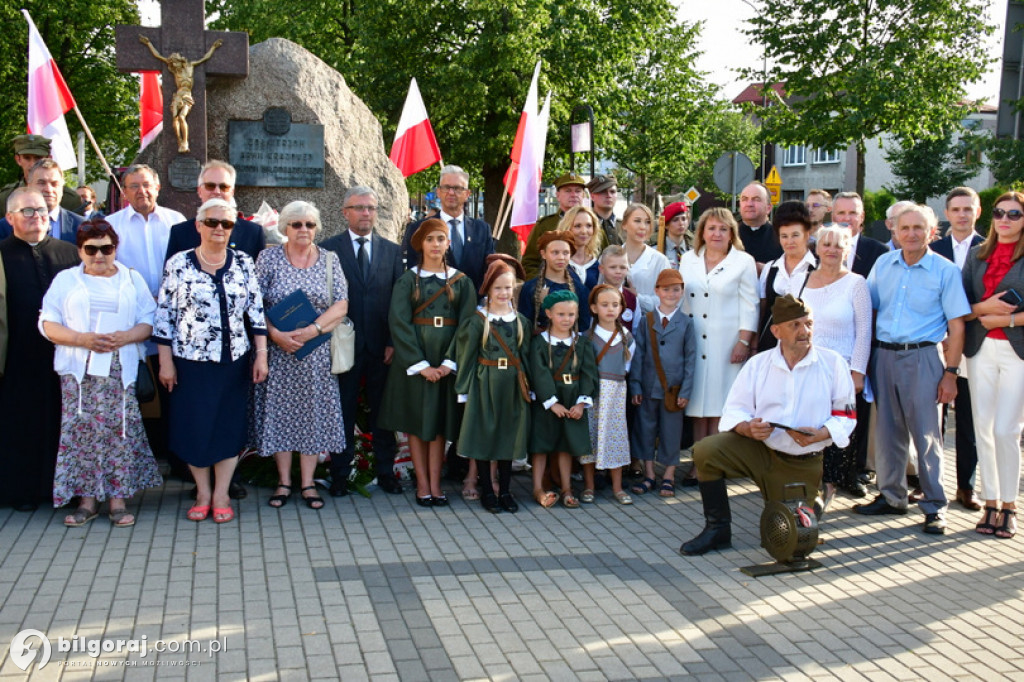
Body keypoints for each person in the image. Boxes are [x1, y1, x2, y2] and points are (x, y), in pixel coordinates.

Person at [680, 294, 856, 555]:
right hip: (760, 451)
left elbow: (847, 416)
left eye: (808, 323)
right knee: (706, 451)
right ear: (776, 331)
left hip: (803, 460)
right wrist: (746, 428)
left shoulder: (833, 363)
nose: (804, 331)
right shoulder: (758, 364)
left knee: (792, 546)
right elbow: (734, 410)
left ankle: (816, 499)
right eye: (795, 325)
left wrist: (821, 434)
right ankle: (717, 530)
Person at [855, 204, 970, 535]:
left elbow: (957, 327)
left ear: (931, 232)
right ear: (895, 231)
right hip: (884, 356)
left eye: (919, 228)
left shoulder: (944, 271)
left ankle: (935, 506)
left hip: (923, 358)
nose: (911, 234)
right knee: (888, 431)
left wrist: (951, 372)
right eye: (904, 228)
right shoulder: (883, 264)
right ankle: (891, 496)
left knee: (927, 435)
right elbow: (868, 312)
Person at [39, 219, 162, 527]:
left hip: (120, 368)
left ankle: (118, 500)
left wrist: (126, 336)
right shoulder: (66, 280)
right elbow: (47, 323)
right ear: (80, 250)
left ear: (115, 248)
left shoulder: (132, 279)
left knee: (118, 432)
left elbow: (150, 319)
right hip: (78, 372)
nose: (99, 256)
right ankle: (87, 501)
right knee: (82, 434)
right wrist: (82, 339)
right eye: (91, 249)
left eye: (106, 248)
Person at [153, 198, 268, 523]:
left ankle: (221, 494)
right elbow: (164, 316)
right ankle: (202, 492)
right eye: (213, 222)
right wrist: (165, 362)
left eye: (226, 224)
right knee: (195, 427)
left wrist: (261, 355)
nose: (219, 229)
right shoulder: (179, 263)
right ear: (199, 225)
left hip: (234, 362)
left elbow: (256, 312)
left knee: (228, 428)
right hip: (190, 363)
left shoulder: (244, 261)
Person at [253, 201, 348, 511]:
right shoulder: (268, 258)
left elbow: (342, 305)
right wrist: (275, 336)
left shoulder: (330, 260)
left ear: (317, 228)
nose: (304, 230)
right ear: (284, 228)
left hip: (316, 354)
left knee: (312, 417)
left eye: (309, 224)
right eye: (296, 224)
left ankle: (307, 483)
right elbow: (255, 303)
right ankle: (284, 481)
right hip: (279, 355)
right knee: (281, 415)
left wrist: (314, 330)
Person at [378, 218, 476, 507]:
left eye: (440, 239)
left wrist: (448, 362)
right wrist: (420, 364)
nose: (435, 245)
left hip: (446, 361)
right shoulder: (408, 279)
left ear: (448, 243)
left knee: (439, 427)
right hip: (415, 363)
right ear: (420, 244)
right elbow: (399, 321)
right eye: (430, 239)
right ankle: (422, 485)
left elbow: (467, 324)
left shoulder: (461, 281)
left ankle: (436, 484)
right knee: (418, 424)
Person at [320, 187, 405, 497]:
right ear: (345, 212)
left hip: (382, 347)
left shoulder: (393, 251)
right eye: (358, 208)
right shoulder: (328, 250)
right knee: (341, 410)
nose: (366, 213)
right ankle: (340, 473)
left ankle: (386, 471)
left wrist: (394, 341)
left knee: (383, 412)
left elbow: (399, 301)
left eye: (371, 207)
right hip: (343, 346)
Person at [0, 188, 79, 511]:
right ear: (10, 218)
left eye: (42, 210)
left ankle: (66, 488)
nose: (38, 217)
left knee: (64, 421)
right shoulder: (2, 253)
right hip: (18, 354)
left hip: (65, 355)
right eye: (28, 211)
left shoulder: (71, 253)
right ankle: (24, 491)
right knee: (22, 422)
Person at [962, 191, 1024, 539]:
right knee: (983, 429)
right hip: (980, 349)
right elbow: (961, 306)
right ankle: (990, 502)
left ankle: (1010, 505)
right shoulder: (976, 256)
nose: (1005, 219)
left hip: (1017, 352)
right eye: (1000, 213)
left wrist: (1009, 321)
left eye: (1014, 214)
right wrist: (985, 311)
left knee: (1007, 430)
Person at [801, 225, 872, 509]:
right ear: (817, 248)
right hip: (808, 366)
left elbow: (864, 331)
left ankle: (830, 486)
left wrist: (858, 372)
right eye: (826, 244)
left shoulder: (856, 283)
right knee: (810, 424)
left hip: (841, 368)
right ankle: (809, 481)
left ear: (847, 249)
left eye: (838, 245)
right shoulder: (804, 280)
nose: (831, 249)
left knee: (835, 427)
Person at [453, 254, 531, 514]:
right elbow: (466, 356)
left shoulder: (521, 322)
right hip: (484, 384)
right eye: (497, 288)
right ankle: (487, 490)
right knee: (485, 437)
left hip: (511, 386)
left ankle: (506, 490)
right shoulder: (478, 321)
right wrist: (463, 390)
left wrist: (528, 386)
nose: (503, 292)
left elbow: (525, 357)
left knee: (507, 437)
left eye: (508, 287)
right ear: (487, 289)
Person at [678, 208, 758, 445]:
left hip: (727, 344)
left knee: (719, 404)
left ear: (732, 234)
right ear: (701, 232)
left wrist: (743, 342)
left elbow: (750, 305)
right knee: (696, 405)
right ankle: (697, 458)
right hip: (693, 341)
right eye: (711, 228)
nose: (717, 234)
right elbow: (682, 300)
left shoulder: (743, 261)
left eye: (723, 229)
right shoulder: (688, 259)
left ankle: (712, 460)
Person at [932, 186, 984, 512]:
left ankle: (966, 487)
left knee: (968, 421)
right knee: (933, 421)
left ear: (978, 212)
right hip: (937, 346)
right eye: (956, 209)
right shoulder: (932, 249)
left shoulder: (990, 249)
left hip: (976, 347)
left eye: (968, 209)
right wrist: (942, 335)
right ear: (947, 213)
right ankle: (930, 486)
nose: (962, 214)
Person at [629, 269, 697, 498]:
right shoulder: (647, 321)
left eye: (676, 289)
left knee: (671, 432)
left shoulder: (686, 323)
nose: (671, 293)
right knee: (645, 430)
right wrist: (636, 386)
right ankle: (649, 474)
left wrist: (686, 390)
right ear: (657, 291)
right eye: (666, 289)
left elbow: (690, 359)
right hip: (648, 388)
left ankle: (668, 475)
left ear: (682, 292)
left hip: (673, 391)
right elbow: (638, 355)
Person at [527, 290, 598, 508]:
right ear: (549, 313)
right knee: (541, 444)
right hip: (548, 401)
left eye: (571, 314)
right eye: (561, 314)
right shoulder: (539, 343)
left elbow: (589, 373)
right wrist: (551, 401)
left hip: (572, 398)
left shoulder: (582, 343)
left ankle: (566, 488)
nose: (566, 319)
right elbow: (538, 373)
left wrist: (581, 402)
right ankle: (538, 488)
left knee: (566, 445)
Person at [582, 284, 636, 505]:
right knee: (589, 439)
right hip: (593, 394)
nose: (611, 309)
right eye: (605, 305)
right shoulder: (587, 336)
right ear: (594, 308)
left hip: (615, 394)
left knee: (615, 438)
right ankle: (589, 486)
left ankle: (617, 487)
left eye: (615, 304)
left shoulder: (626, 336)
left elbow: (628, 366)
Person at [402, 165, 494, 290]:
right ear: (438, 192)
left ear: (467, 194)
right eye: (446, 187)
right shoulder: (419, 228)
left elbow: (488, 272)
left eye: (457, 188)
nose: (451, 192)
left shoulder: (482, 230)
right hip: (433, 305)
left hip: (473, 306)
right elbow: (415, 272)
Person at [109, 164, 187, 300]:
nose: (141, 190)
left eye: (146, 185)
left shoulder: (176, 220)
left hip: (173, 302)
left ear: (157, 188)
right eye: (134, 186)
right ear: (125, 192)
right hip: (131, 304)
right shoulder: (111, 224)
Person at [166, 160, 267, 263]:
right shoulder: (179, 233)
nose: (217, 192)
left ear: (232, 192)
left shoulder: (253, 233)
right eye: (210, 186)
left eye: (224, 187)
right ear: (199, 191)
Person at [139, 35, 223, 153]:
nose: (173, 65)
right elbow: (158, 56)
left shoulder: (190, 66)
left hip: (187, 96)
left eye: (174, 62)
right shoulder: (175, 71)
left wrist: (213, 47)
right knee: (175, 119)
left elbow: (205, 58)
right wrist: (148, 44)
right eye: (172, 63)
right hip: (178, 96)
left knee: (182, 117)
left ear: (179, 61)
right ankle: (180, 142)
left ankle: (185, 142)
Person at [757, 201, 817, 351]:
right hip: (771, 348)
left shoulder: (819, 268)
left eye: (795, 235)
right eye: (784, 236)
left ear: (807, 235)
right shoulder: (770, 268)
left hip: (807, 346)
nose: (789, 241)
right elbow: (762, 312)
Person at [519, 230, 590, 332]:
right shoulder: (530, 288)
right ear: (543, 254)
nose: (561, 257)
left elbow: (583, 325)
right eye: (555, 252)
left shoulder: (580, 289)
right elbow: (525, 325)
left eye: (565, 253)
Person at [0, 159, 84, 242]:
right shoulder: (4, 227)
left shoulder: (82, 226)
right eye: (42, 183)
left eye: (54, 184)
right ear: (29, 185)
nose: (49, 189)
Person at [522, 173, 587, 278]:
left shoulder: (594, 225)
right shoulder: (545, 226)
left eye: (578, 191)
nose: (574, 195)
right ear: (557, 195)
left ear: (583, 195)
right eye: (568, 191)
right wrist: (542, 284)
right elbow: (529, 262)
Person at [0, 134, 82, 213]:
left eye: (38, 158)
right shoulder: (5, 197)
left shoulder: (70, 200)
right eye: (27, 158)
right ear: (18, 160)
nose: (32, 164)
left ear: (49, 158)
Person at [620, 203, 670, 313]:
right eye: (637, 221)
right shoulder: (611, 256)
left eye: (647, 222)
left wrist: (637, 297)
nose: (643, 227)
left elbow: (667, 300)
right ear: (624, 224)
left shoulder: (660, 260)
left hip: (648, 326)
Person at [832, 192, 888, 278]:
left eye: (853, 213)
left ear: (862, 217)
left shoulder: (879, 251)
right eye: (841, 213)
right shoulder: (818, 250)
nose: (847, 218)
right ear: (833, 217)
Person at [737, 182, 781, 272]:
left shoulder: (781, 237)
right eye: (744, 199)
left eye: (756, 199)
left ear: (768, 208)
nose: (749, 204)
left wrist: (767, 270)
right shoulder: (728, 236)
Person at [597, 245, 639, 330]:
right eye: (613, 267)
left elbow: (636, 330)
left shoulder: (632, 299)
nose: (618, 271)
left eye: (622, 267)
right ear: (601, 269)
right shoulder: (594, 297)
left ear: (627, 269)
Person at [564, 206, 602, 289]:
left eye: (588, 226)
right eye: (578, 226)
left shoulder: (597, 264)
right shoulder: (559, 262)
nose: (584, 231)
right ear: (567, 228)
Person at [586, 174, 621, 246]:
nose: (608, 195)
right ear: (592, 196)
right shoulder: (585, 226)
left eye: (612, 191)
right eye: (602, 192)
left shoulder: (625, 227)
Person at [659, 201, 690, 269]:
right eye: (675, 220)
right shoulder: (656, 251)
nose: (681, 223)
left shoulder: (694, 251)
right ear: (666, 225)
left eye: (684, 219)